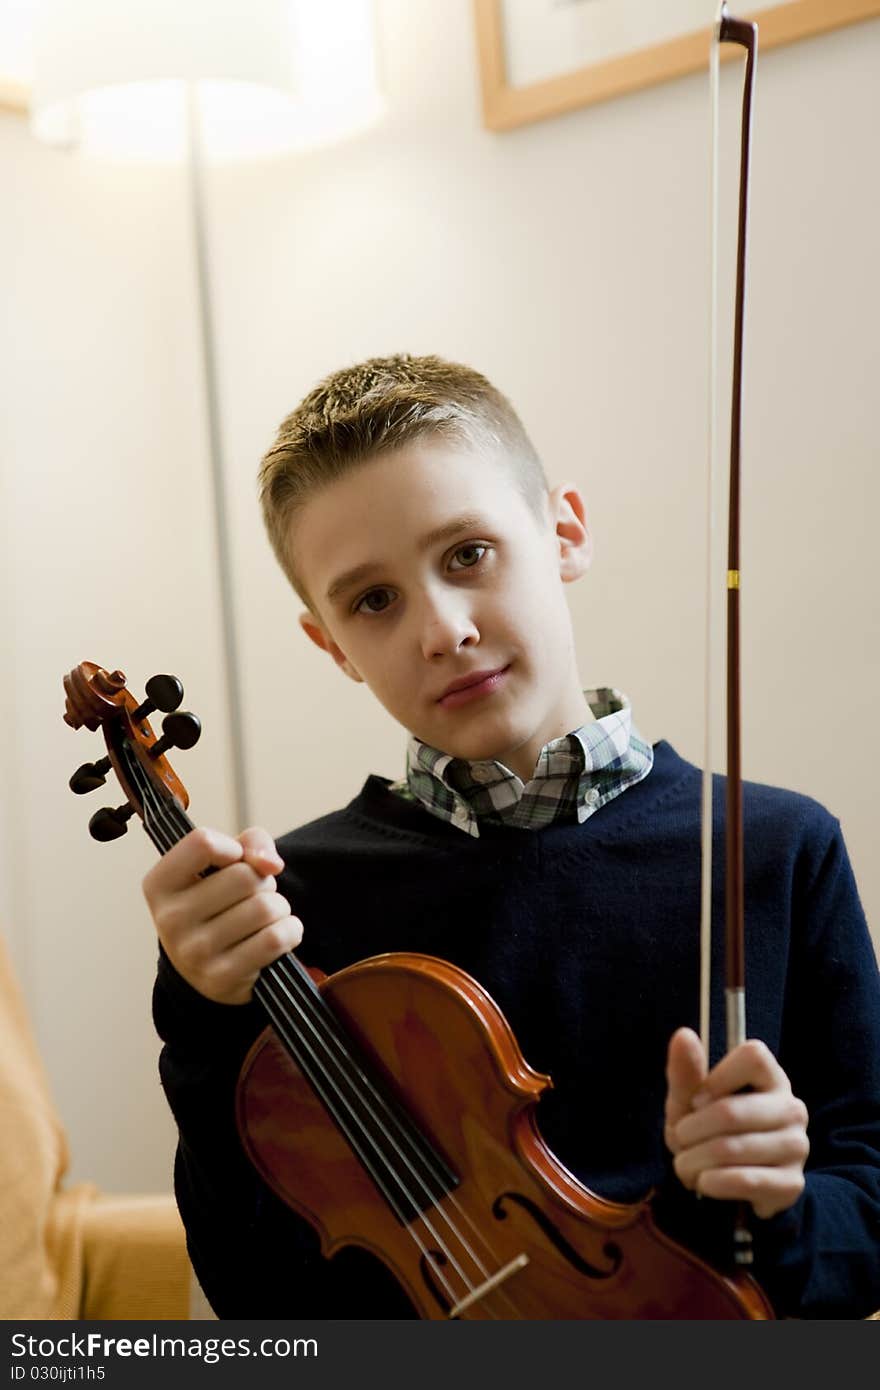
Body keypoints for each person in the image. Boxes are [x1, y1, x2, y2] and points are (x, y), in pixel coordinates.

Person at [146, 354, 880, 1319]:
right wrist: (206, 1011)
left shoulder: (775, 847)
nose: (442, 630)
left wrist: (779, 1209)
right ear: (332, 645)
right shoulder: (289, 906)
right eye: (373, 600)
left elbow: (866, 1216)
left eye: (466, 555)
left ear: (563, 531)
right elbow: (257, 1294)